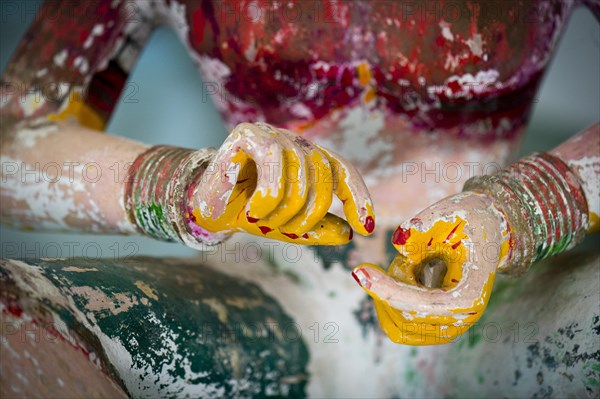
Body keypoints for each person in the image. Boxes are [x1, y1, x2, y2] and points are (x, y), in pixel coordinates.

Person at [1, 1, 599, 397]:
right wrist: (185, 186)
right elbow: (11, 139)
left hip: (510, 297)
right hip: (263, 296)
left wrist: (518, 210)